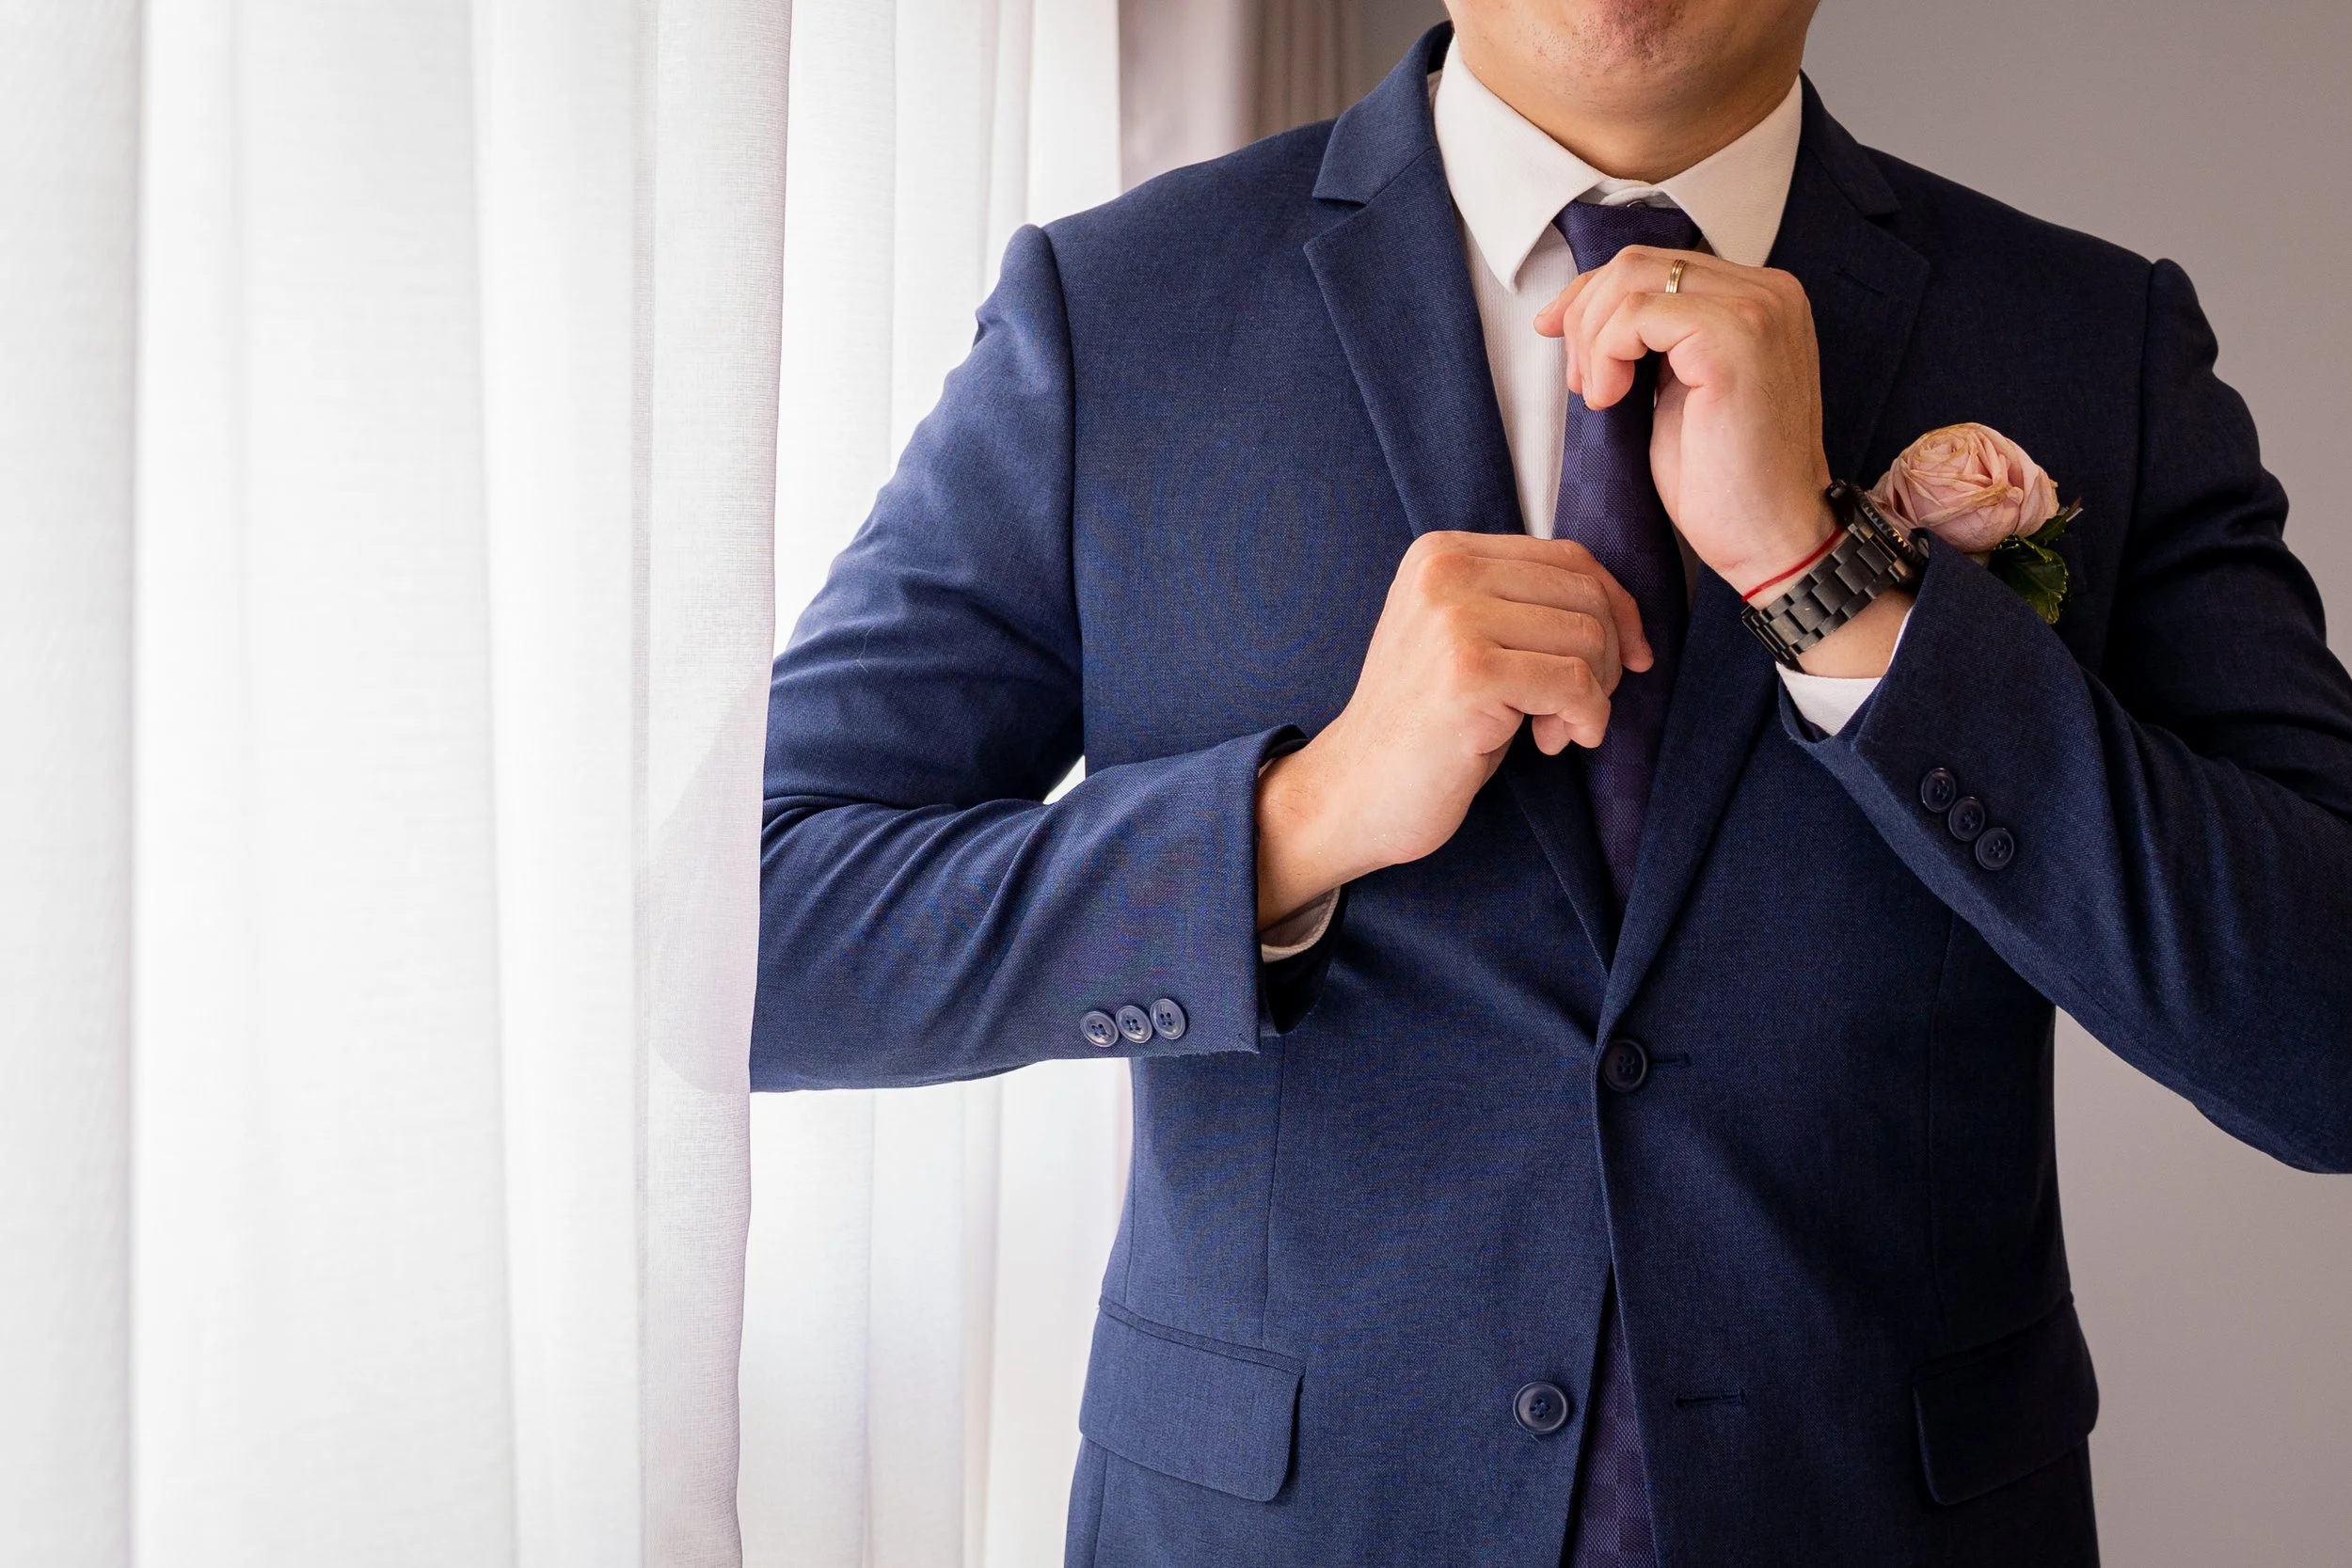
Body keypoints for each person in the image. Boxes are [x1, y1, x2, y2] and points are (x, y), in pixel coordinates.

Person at [751, 2, 2352, 1562]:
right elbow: (755, 940)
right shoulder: (1119, 312)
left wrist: (1842, 592)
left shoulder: (2094, 342)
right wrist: (1294, 822)